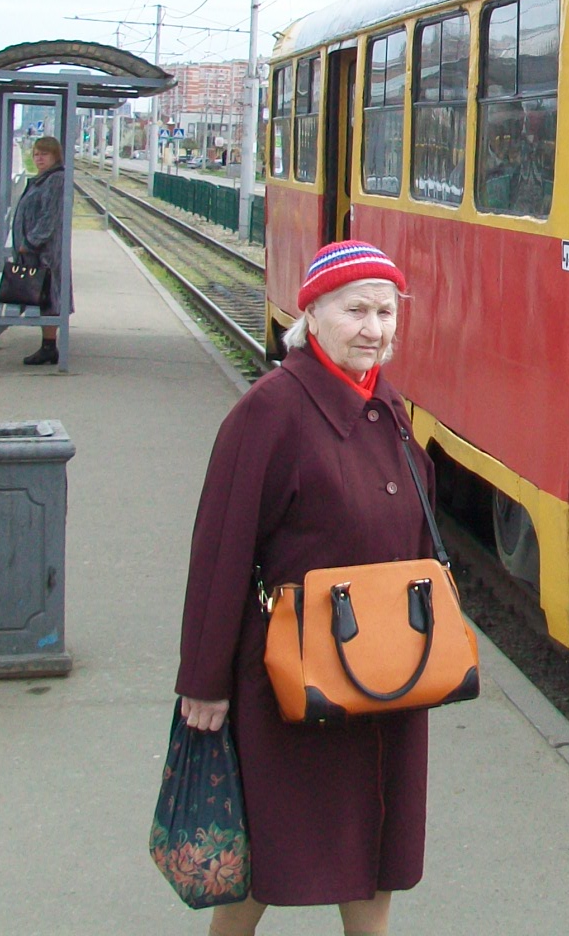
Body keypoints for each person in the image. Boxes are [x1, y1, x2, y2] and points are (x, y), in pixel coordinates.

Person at [176, 241, 428, 935]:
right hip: (295, 675)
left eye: (385, 311)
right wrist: (204, 680)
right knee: (264, 843)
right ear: (311, 317)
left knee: (375, 843)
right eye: (356, 311)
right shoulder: (270, 411)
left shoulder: (390, 407)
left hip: (386, 671)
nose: (374, 328)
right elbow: (221, 552)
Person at [11, 136, 70, 365]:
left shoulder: (55, 180)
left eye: (44, 154)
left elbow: (50, 216)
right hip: (35, 252)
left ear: (55, 156)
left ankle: (49, 348)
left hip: (44, 254)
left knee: (49, 298)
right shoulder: (43, 179)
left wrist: (31, 242)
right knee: (45, 299)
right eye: (36, 154)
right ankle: (48, 346)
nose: (39, 158)